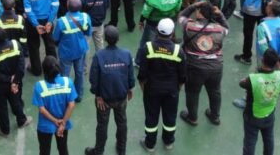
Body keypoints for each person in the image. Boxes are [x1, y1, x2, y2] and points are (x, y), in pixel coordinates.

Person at [137, 17, 185, 152]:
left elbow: (142, 73)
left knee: (151, 116)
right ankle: (168, 141)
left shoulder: (148, 48)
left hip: (152, 89)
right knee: (170, 116)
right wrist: (177, 88)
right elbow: (182, 76)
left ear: (157, 30)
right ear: (172, 32)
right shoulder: (178, 51)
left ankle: (150, 144)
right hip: (171, 90)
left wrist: (143, 88)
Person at [178, 0, 228, 126]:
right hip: (216, 66)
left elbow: (181, 16)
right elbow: (227, 28)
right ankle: (215, 116)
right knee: (215, 91)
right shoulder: (219, 29)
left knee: (192, 92)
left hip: (195, 67)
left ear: (200, 14)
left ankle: (192, 117)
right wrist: (220, 14)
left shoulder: (190, 26)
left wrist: (193, 5)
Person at [86, 25, 133, 155]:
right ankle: (121, 149)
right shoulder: (126, 54)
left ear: (105, 39)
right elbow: (130, 74)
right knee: (122, 123)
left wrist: (98, 96)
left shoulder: (99, 56)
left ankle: (98, 151)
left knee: (102, 125)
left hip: (104, 100)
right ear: (118, 39)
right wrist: (129, 88)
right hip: (121, 97)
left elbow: (94, 79)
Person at [0, 23, 31, 137]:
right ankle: (22, 120)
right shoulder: (16, 45)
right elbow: (21, 67)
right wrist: (15, 82)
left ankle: (4, 130)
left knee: (1, 107)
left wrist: (8, 79)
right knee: (16, 101)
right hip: (15, 82)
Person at [240, 49, 280, 155]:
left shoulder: (253, 79)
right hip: (269, 114)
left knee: (250, 142)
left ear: (262, 59)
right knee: (269, 139)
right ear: (276, 63)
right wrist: (278, 69)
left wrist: (257, 73)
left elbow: (241, 83)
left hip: (253, 116)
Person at [32, 56, 77, 155]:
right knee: (63, 149)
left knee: (44, 150)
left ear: (44, 71)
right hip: (62, 124)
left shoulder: (39, 86)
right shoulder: (67, 82)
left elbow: (42, 110)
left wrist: (55, 121)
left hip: (45, 126)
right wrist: (63, 123)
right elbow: (71, 104)